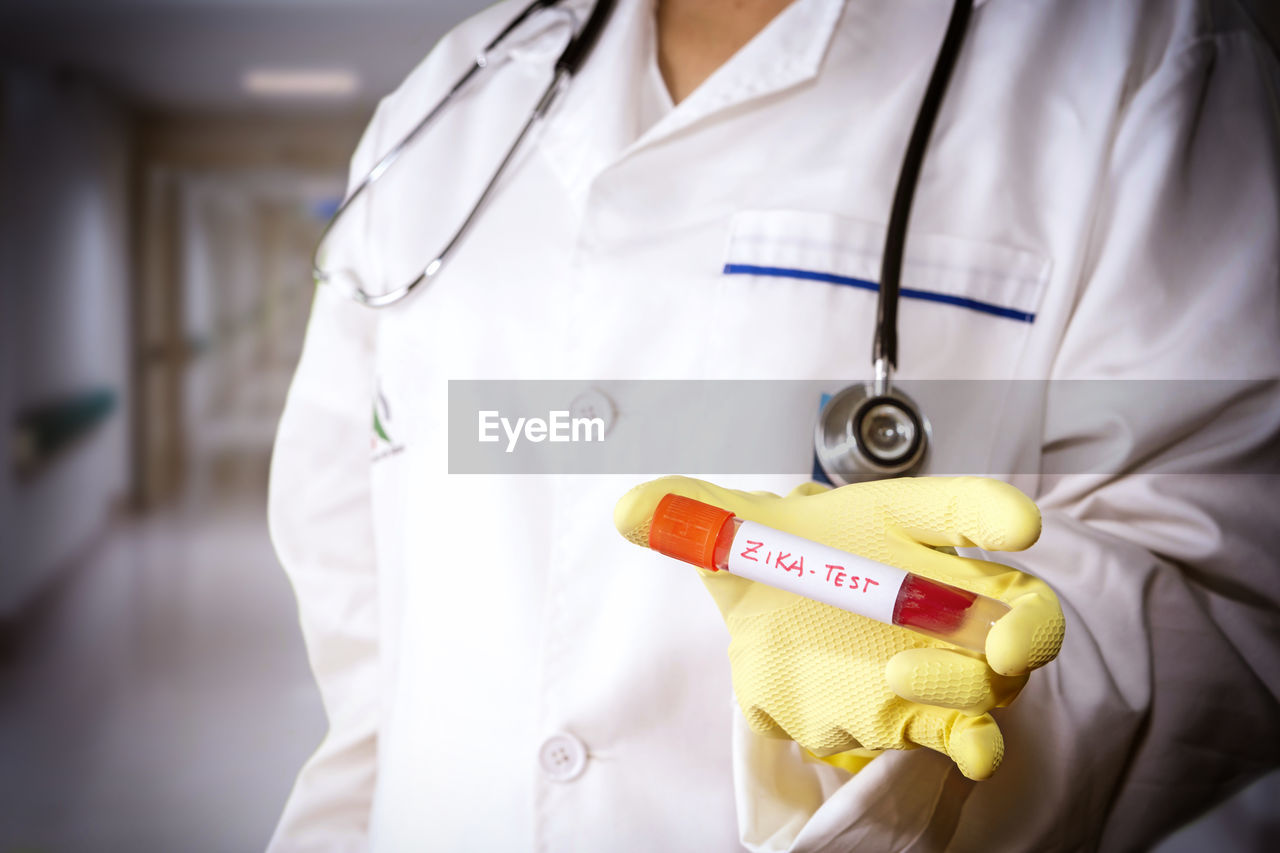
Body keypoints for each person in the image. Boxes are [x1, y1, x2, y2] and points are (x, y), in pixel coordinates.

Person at [266, 0, 1280, 849]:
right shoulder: (454, 95)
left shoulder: (1135, 57)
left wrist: (928, 657)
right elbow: (361, 606)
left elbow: (1227, 577)